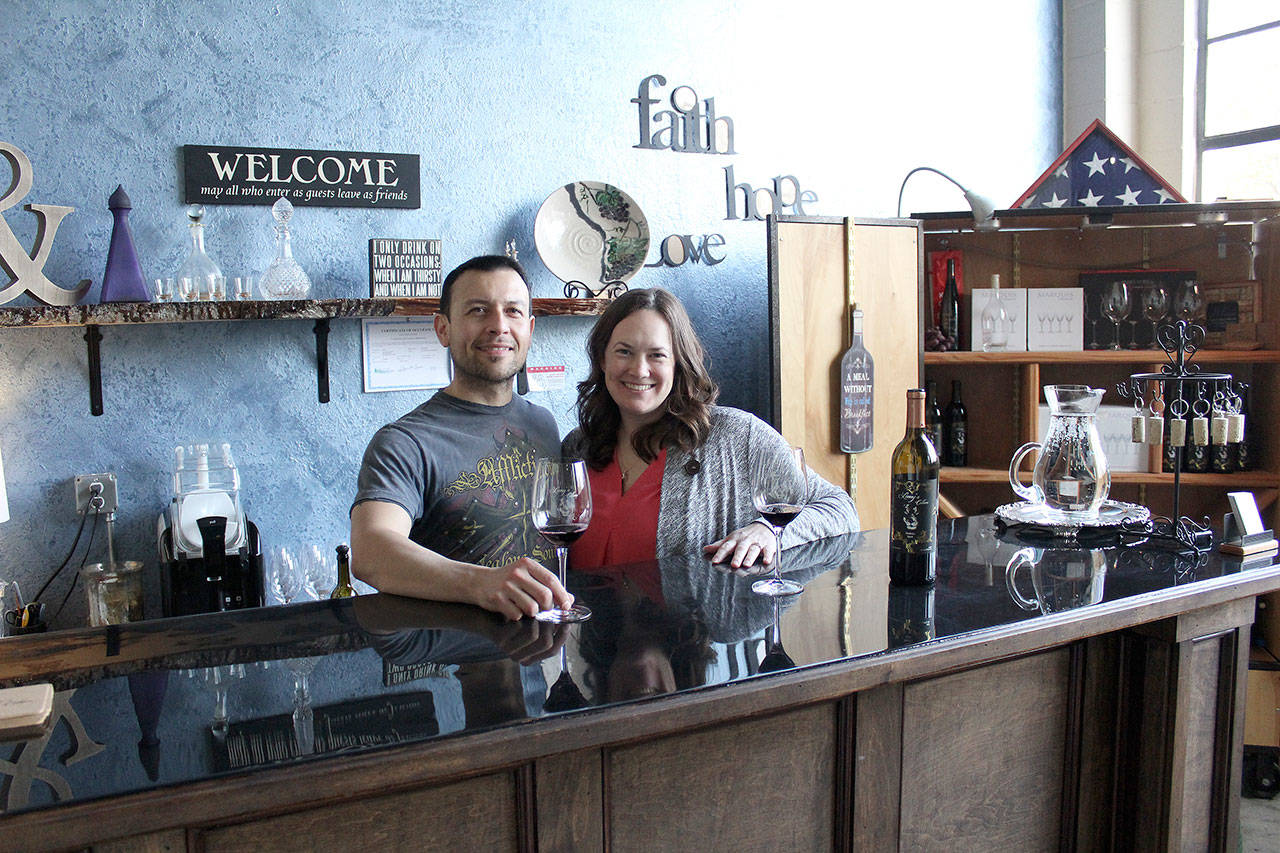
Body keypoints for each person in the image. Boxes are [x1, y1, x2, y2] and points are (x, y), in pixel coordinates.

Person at [564, 287, 857, 571]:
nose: (639, 369)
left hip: (694, 623)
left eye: (657, 355)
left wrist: (769, 532)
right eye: (624, 352)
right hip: (585, 622)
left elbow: (839, 509)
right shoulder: (577, 448)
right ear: (602, 358)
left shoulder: (738, 437)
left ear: (679, 363)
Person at [350, 255, 575, 621]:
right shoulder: (405, 442)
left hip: (542, 658)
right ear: (443, 328)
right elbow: (372, 552)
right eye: (478, 311)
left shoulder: (543, 424)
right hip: (454, 664)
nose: (498, 326)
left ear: (530, 328)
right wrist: (482, 583)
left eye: (513, 311)